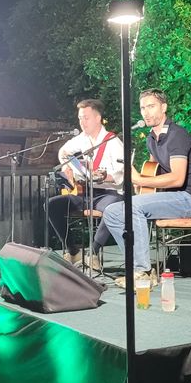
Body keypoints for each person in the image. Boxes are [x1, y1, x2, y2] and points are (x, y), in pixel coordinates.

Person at [102, 88, 191, 287]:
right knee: (112, 212)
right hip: (171, 198)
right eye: (143, 108)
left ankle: (144, 272)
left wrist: (140, 180)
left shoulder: (177, 135)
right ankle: (136, 267)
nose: (146, 112)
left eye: (151, 106)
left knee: (133, 206)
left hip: (190, 199)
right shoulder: (151, 138)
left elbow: (177, 178)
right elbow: (153, 171)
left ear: (164, 107)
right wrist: (141, 185)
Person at [47, 99, 124, 266]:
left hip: (108, 193)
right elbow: (63, 152)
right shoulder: (82, 139)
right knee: (52, 205)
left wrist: (104, 177)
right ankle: (73, 251)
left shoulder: (112, 141)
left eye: (86, 118)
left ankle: (93, 252)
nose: (82, 122)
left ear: (98, 118)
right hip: (86, 192)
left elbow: (121, 173)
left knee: (113, 209)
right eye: (80, 118)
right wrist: (67, 167)